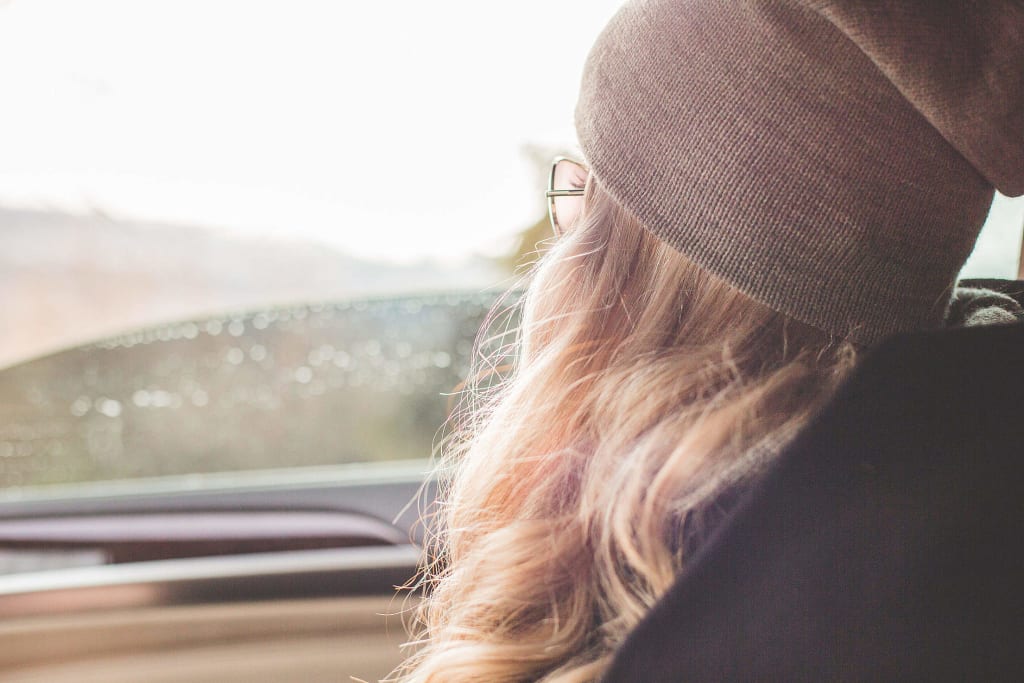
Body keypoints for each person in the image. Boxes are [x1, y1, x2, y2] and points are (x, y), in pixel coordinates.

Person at [393, 1, 1024, 681]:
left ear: (627, 269)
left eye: (585, 194)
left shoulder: (668, 587)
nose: (562, 241)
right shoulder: (946, 501)